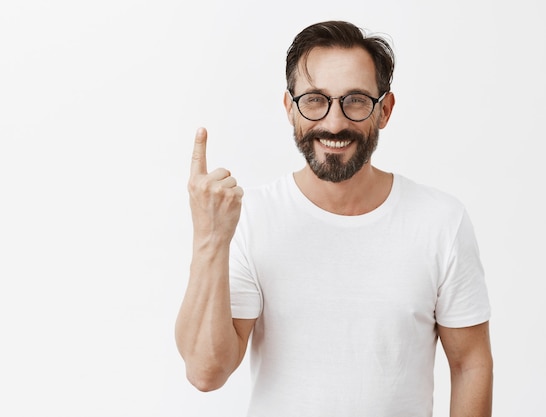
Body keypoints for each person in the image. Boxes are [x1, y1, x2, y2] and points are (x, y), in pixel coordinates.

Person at [175, 20, 493, 417]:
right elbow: (207, 372)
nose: (334, 122)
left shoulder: (441, 222)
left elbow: (469, 364)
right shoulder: (251, 218)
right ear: (290, 108)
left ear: (385, 111)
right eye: (314, 99)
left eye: (356, 100)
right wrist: (210, 237)